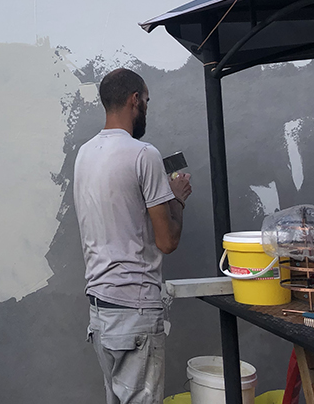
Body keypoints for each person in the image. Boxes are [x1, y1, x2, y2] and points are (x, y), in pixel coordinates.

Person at [73, 67, 192, 404]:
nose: (147, 110)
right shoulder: (144, 155)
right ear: (134, 99)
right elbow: (167, 241)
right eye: (147, 101)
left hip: (100, 309)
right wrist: (177, 199)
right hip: (135, 310)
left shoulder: (84, 155)